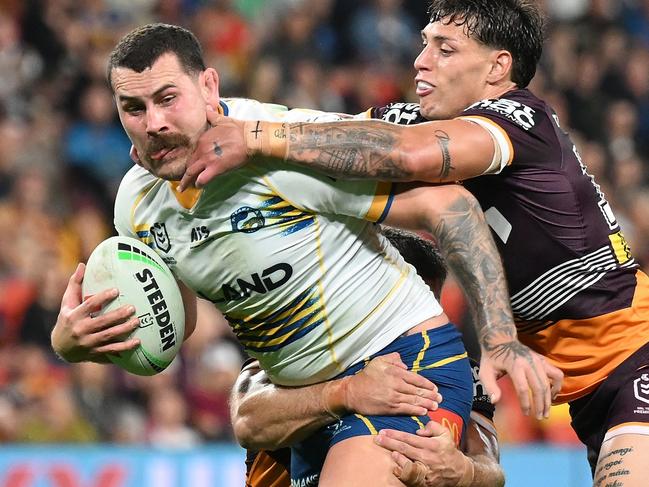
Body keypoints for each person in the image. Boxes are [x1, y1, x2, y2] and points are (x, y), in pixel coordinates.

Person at [50, 22, 558, 487]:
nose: (153, 123)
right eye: (133, 109)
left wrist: (499, 336)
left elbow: (450, 206)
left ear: (208, 87)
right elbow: (174, 324)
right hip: (299, 402)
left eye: (167, 99)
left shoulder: (278, 151)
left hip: (398, 364)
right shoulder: (136, 204)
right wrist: (84, 339)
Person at [179, 0, 649, 482]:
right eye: (424, 44)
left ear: (498, 67)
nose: (421, 60)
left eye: (445, 49)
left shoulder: (522, 118)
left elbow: (413, 155)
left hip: (631, 351)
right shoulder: (405, 119)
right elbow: (323, 135)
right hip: (567, 375)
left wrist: (254, 134)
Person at [235, 227, 504, 487]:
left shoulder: (456, 370)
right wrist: (346, 392)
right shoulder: (294, 360)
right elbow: (248, 421)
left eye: (434, 307)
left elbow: (491, 468)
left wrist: (466, 472)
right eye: (414, 303)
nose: (426, 320)